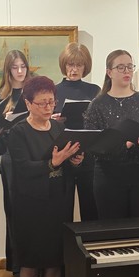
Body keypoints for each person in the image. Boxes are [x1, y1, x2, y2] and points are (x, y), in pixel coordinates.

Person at [8, 76, 82, 277]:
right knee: (30, 261)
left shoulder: (59, 128)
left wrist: (74, 160)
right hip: (29, 204)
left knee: (53, 259)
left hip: (57, 202)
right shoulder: (18, 131)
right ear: (28, 103)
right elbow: (22, 168)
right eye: (42, 103)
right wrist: (53, 162)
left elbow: (66, 165)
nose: (48, 107)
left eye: (52, 102)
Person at [83, 50, 139, 219]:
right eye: (121, 67)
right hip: (109, 178)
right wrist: (124, 145)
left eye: (130, 67)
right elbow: (92, 146)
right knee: (113, 229)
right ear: (109, 72)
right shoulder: (97, 105)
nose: (127, 71)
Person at [0, 50, 33, 276]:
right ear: (7, 70)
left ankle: (33, 262)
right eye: (15, 67)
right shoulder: (1, 96)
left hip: (32, 152)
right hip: (9, 156)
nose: (20, 71)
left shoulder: (32, 92)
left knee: (32, 209)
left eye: (23, 66)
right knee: (14, 209)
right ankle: (17, 263)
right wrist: (1, 125)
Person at [53, 42, 100, 221]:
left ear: (85, 66)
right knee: (62, 210)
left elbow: (98, 124)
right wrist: (53, 120)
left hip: (87, 154)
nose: (74, 69)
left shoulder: (94, 90)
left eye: (79, 65)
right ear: (64, 65)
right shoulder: (54, 90)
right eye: (70, 64)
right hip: (62, 153)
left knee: (91, 208)